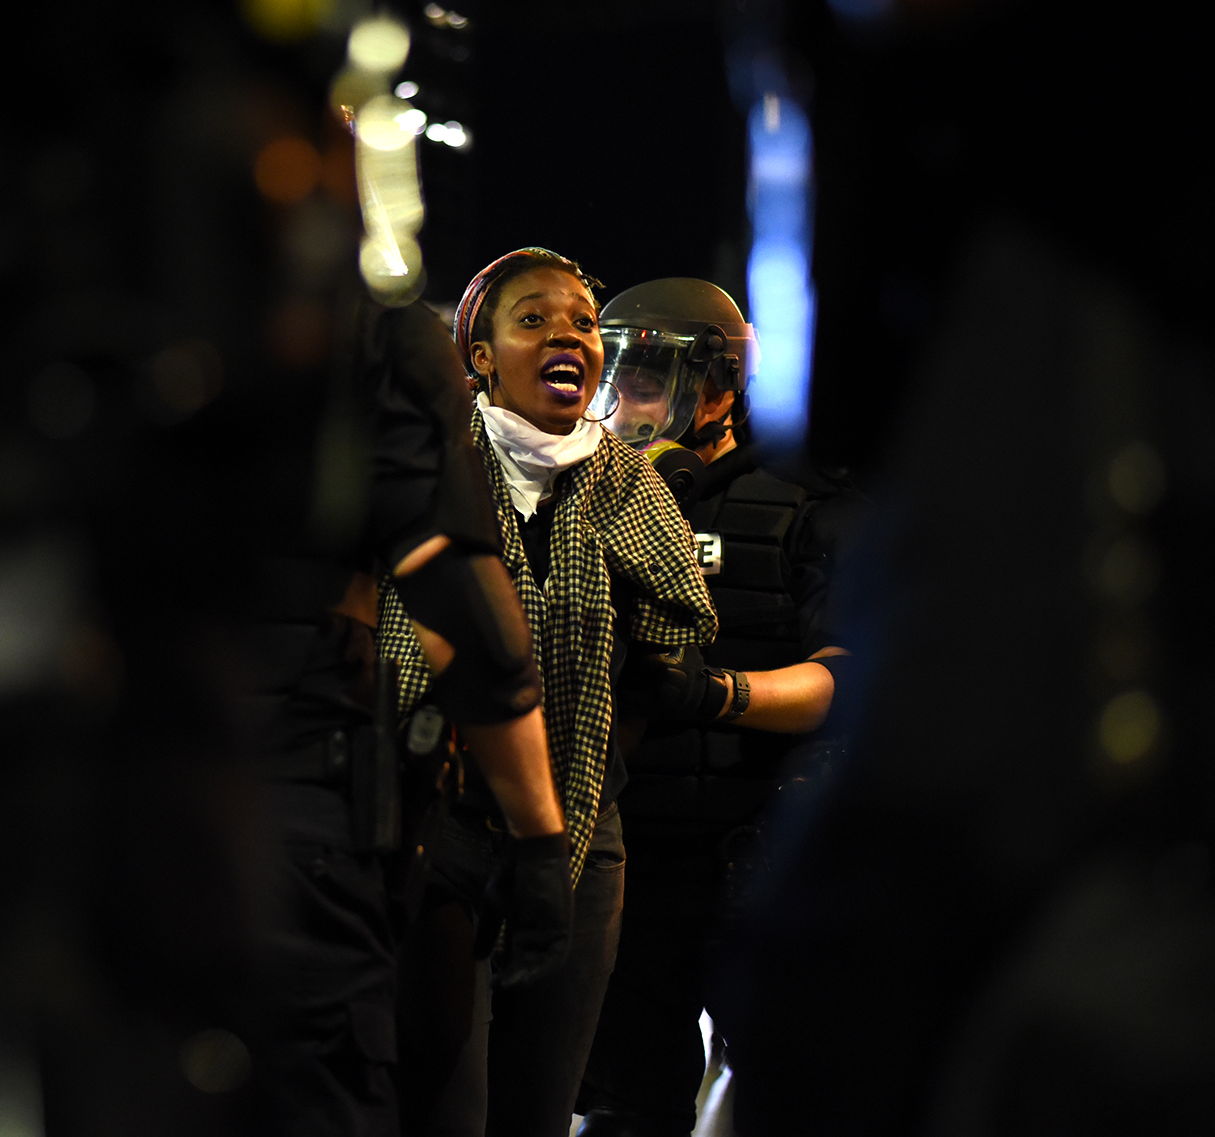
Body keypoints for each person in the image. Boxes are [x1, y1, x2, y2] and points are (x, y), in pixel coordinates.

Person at [378, 249, 721, 1137]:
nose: (567, 334)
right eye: (533, 319)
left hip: (582, 831)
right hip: (437, 819)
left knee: (538, 1108)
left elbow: (671, 649)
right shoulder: (430, 465)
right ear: (480, 355)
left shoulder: (633, 484)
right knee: (443, 1108)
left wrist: (591, 769)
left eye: (581, 322)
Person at [255, 285, 578, 1137]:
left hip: (84, 795)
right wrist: (539, 838)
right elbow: (465, 609)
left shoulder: (45, 291)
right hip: (296, 796)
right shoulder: (366, 329)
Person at [576, 278, 860, 1137]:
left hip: (757, 850)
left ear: (720, 383)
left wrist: (716, 694)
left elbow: (845, 678)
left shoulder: (805, 498)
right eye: (609, 375)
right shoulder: (586, 495)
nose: (620, 402)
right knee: (628, 1108)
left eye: (644, 379)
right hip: (629, 857)